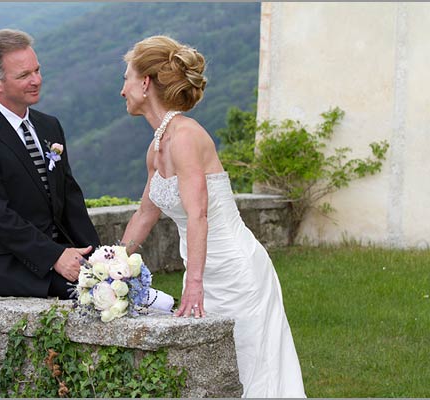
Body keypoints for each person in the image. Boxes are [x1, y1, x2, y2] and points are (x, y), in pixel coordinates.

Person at [119, 35, 306, 398]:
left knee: (253, 369)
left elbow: (198, 214)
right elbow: (145, 214)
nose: (122, 90)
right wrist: (109, 264)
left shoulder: (186, 137)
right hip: (205, 272)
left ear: (144, 83)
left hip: (235, 273)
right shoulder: (157, 146)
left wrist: (193, 285)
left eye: (126, 78)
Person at [0, 29, 100, 299]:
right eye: (24, 75)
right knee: (99, 296)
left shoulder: (48, 125)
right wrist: (54, 256)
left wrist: (100, 256)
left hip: (60, 252)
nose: (37, 80)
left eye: (37, 70)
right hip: (8, 264)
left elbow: (70, 197)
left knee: (119, 282)